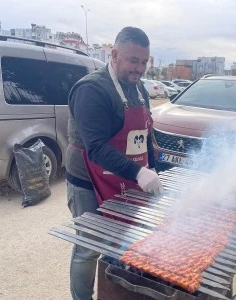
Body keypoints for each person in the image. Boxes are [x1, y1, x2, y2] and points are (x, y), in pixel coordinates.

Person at [66, 27, 163, 300]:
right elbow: (95, 148)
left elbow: (144, 133)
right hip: (88, 180)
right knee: (89, 246)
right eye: (133, 61)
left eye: (144, 62)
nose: (139, 69)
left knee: (121, 240)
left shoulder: (138, 89)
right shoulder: (91, 89)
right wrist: (139, 172)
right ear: (115, 55)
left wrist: (151, 165)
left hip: (123, 178)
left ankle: (112, 293)